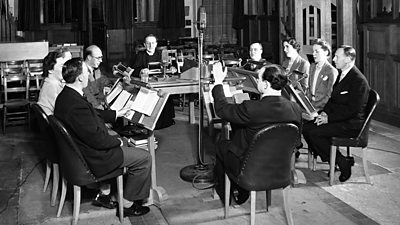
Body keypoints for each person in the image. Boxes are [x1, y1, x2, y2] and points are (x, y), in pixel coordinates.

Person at [54, 58, 152, 217]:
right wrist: (118, 141)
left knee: (121, 138)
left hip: (81, 151)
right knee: (144, 158)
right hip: (94, 157)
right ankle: (127, 203)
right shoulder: (75, 104)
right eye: (86, 72)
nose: (89, 74)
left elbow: (92, 113)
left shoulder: (66, 96)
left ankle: (112, 193)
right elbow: (98, 140)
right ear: (80, 77)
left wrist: (116, 114)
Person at [212, 63, 302, 205]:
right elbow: (297, 143)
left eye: (259, 79)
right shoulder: (295, 108)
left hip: (249, 169)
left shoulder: (251, 108)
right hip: (280, 170)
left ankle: (228, 193)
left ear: (265, 85)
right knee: (241, 132)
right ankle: (238, 189)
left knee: (221, 144)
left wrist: (218, 83)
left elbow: (222, 109)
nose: (257, 82)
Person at [302, 45, 370, 182]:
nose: (333, 59)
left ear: (349, 59)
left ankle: (340, 162)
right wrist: (324, 114)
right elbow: (333, 100)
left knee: (315, 133)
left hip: (352, 124)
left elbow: (353, 110)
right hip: (339, 119)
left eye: (337, 57)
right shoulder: (342, 74)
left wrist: (329, 119)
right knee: (307, 128)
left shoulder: (359, 81)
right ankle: (335, 161)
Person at [131, 34, 175, 129]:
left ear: (156, 44)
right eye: (148, 43)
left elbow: (170, 66)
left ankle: (166, 121)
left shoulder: (162, 54)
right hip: (147, 84)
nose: (150, 45)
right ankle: (149, 122)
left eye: (152, 43)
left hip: (161, 82)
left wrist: (172, 68)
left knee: (166, 93)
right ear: (144, 45)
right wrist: (141, 71)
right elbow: (133, 70)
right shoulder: (140, 55)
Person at [305, 39, 338, 114]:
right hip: (311, 105)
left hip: (322, 108)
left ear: (326, 52)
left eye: (317, 51)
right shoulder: (312, 67)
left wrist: (316, 108)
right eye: (313, 51)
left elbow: (330, 96)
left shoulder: (331, 71)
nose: (313, 54)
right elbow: (309, 89)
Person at [37, 47, 72, 115]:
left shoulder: (52, 82)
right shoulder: (51, 85)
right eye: (62, 66)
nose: (67, 70)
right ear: (50, 70)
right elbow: (65, 110)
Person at [82, 45, 112, 110]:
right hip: (89, 108)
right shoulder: (81, 71)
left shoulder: (96, 70)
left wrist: (108, 86)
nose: (101, 60)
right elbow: (86, 93)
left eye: (101, 58)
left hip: (99, 103)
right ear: (89, 57)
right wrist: (97, 105)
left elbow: (105, 81)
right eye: (98, 58)